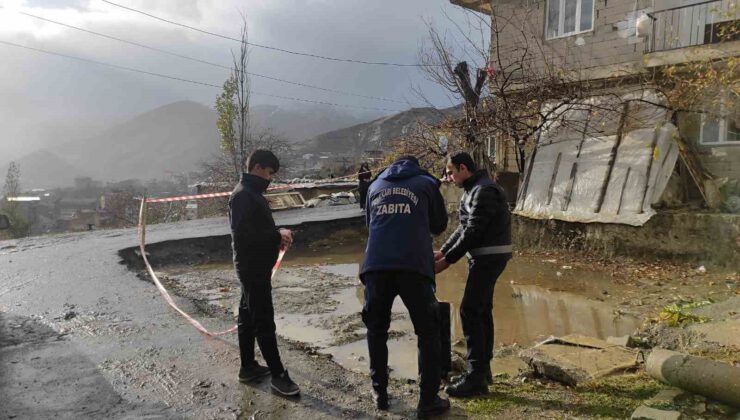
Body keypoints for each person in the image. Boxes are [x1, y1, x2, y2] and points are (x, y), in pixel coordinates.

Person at [360, 155, 450, 417]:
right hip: (414, 266)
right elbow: (440, 224)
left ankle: (380, 393)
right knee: (428, 331)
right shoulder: (425, 183)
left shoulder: (375, 186)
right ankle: (428, 400)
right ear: (415, 166)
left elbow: (371, 225)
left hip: (376, 266)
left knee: (376, 330)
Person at [434, 151, 512, 398]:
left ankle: (476, 377)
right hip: (484, 256)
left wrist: (447, 261)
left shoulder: (484, 191)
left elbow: (474, 232)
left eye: (450, 172)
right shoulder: (473, 190)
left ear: (463, 168)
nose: (448, 177)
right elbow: (463, 227)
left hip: (490, 255)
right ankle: (482, 370)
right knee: (481, 309)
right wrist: (442, 252)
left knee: (469, 309)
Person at [229, 149, 300, 396]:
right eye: (270, 173)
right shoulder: (243, 196)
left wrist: (276, 236)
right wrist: (277, 235)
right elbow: (245, 236)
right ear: (258, 168)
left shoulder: (251, 194)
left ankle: (248, 367)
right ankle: (279, 376)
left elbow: (256, 231)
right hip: (253, 270)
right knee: (263, 321)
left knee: (247, 318)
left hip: (254, 267)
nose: (270, 179)